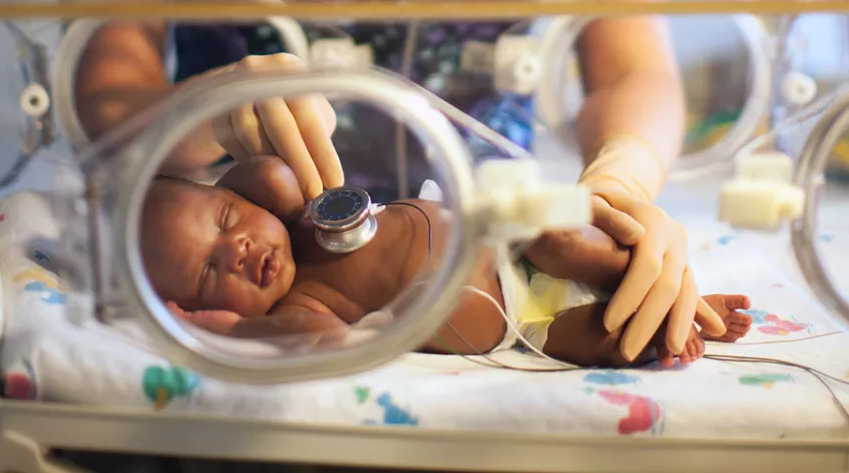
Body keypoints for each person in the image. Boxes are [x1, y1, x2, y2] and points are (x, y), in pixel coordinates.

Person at [33, 0, 723, 364]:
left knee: (587, 257)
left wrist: (622, 176)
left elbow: (631, 65)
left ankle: (670, 310)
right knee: (573, 330)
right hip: (205, 186)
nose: (236, 246)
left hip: (490, 202)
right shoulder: (262, 240)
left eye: (225, 230)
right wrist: (207, 111)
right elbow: (104, 85)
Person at [140, 156, 753, 366]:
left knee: (566, 244)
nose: (239, 250)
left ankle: (686, 302)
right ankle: (667, 333)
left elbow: (270, 172)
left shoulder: (299, 216)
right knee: (594, 340)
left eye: (226, 221)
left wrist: (242, 189)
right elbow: (313, 342)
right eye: (208, 272)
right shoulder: (304, 306)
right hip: (516, 324)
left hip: (507, 241)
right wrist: (240, 329)